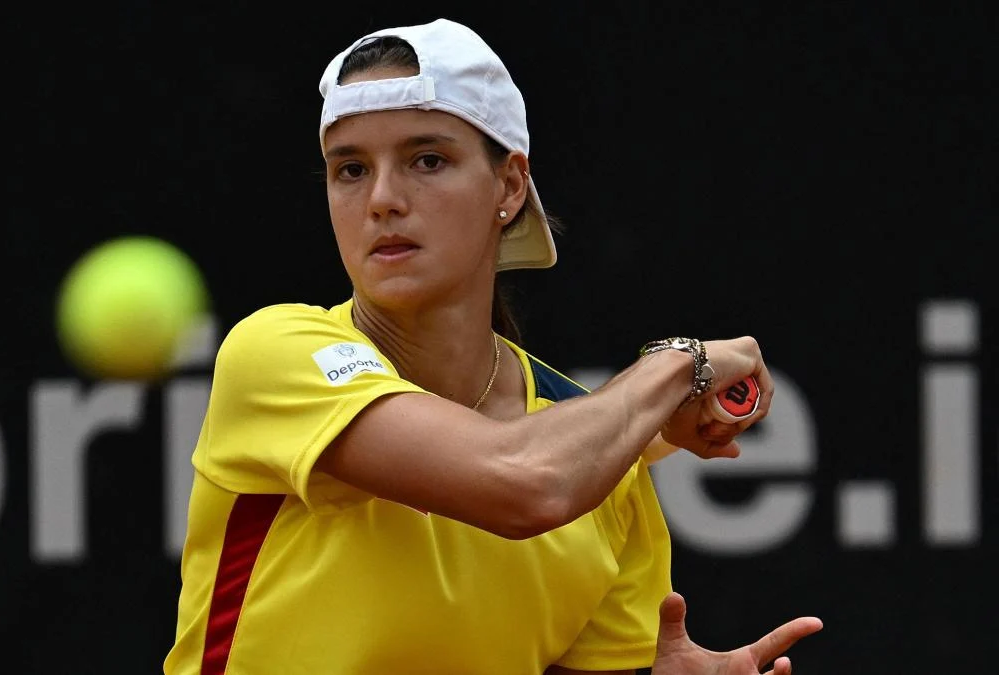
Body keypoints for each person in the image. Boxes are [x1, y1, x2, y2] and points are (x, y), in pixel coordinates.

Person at [164, 17, 821, 675]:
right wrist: (680, 364)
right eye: (351, 169)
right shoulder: (276, 354)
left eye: (427, 160)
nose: (383, 199)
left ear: (508, 185)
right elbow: (527, 483)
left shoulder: (602, 468)